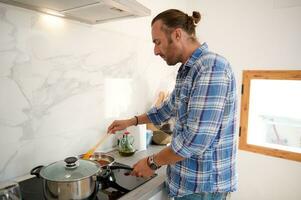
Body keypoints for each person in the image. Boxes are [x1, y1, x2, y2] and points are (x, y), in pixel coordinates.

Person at [107, 9, 238, 200]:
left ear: (177, 35)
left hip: (201, 188)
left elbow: (195, 141)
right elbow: (166, 110)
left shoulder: (211, 67)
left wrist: (151, 162)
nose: (155, 51)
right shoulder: (187, 70)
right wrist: (131, 121)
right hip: (187, 184)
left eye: (157, 42)